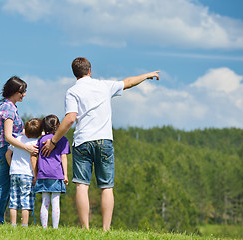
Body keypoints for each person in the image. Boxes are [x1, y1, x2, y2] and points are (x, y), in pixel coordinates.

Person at [41, 57, 160, 231]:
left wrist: (53, 141)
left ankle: (85, 229)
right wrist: (147, 75)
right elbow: (127, 82)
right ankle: (106, 230)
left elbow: (70, 118)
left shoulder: (72, 91)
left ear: (75, 74)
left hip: (82, 141)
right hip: (104, 140)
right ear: (90, 70)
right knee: (106, 187)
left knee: (82, 186)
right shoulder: (104, 86)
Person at [0, 76, 38, 224]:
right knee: (3, 187)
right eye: (22, 92)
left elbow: (16, 132)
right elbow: (9, 137)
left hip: (2, 150)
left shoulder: (8, 106)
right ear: (14, 91)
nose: (24, 94)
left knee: (6, 186)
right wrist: (27, 147)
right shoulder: (8, 108)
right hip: (4, 150)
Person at [34, 115, 70, 229]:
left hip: (43, 174)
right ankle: (55, 228)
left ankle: (44, 228)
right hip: (56, 175)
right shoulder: (63, 139)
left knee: (45, 201)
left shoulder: (41, 140)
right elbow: (63, 158)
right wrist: (65, 175)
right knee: (56, 202)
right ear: (58, 125)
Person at [6, 118, 43, 227]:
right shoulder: (36, 143)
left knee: (13, 201)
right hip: (27, 174)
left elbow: (7, 154)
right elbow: (33, 160)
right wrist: (36, 176)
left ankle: (13, 225)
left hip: (14, 173)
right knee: (26, 201)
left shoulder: (17, 139)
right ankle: (24, 225)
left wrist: (11, 166)